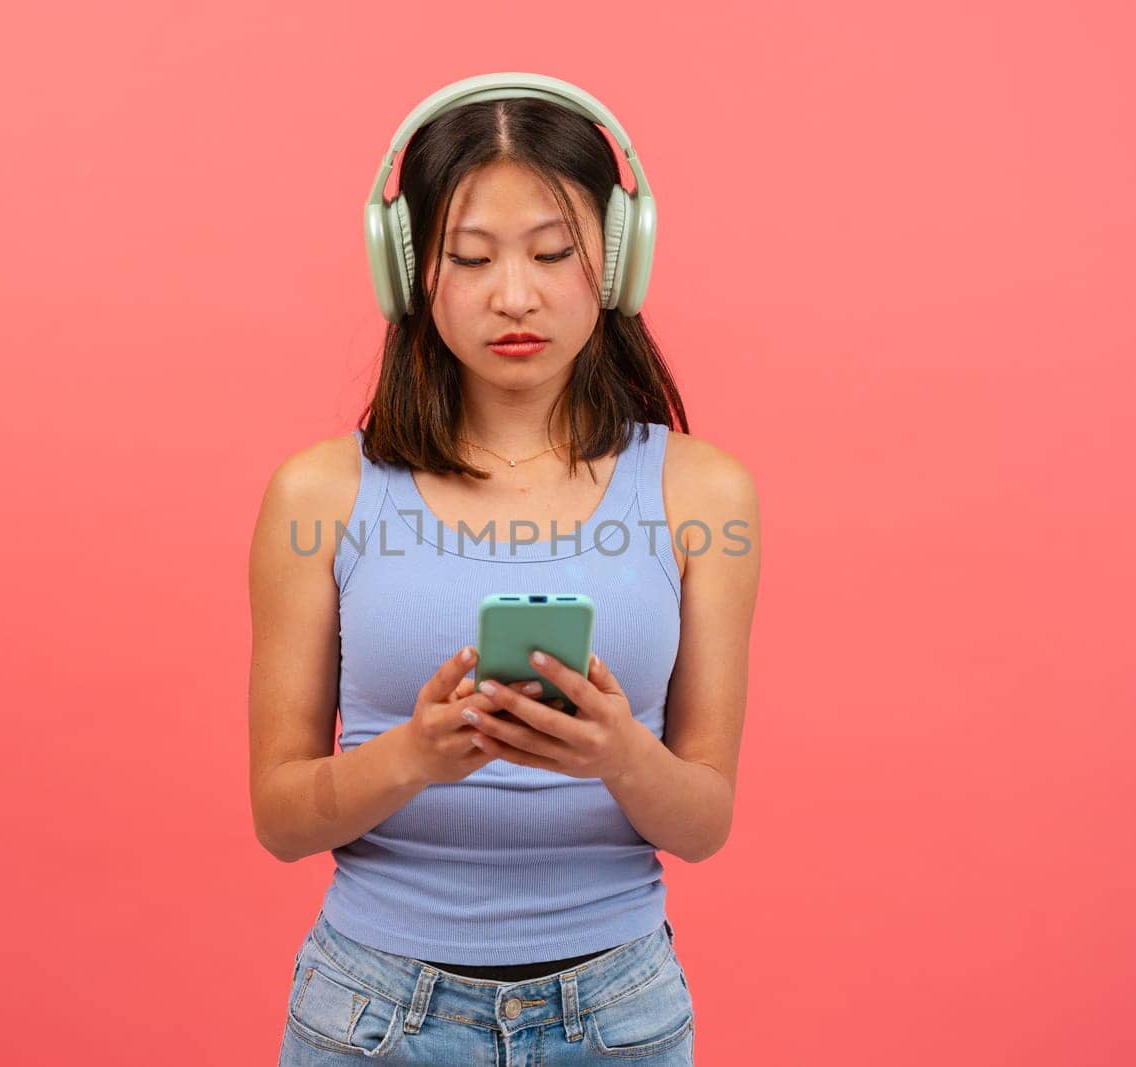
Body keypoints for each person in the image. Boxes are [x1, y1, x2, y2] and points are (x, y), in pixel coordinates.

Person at [249, 72, 760, 1064]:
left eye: (553, 252)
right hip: (374, 1013)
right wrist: (417, 755)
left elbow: (702, 824)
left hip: (618, 1014)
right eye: (471, 257)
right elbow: (278, 815)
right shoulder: (317, 495)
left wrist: (620, 750)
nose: (514, 295)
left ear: (617, 259)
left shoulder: (705, 494)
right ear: (407, 272)